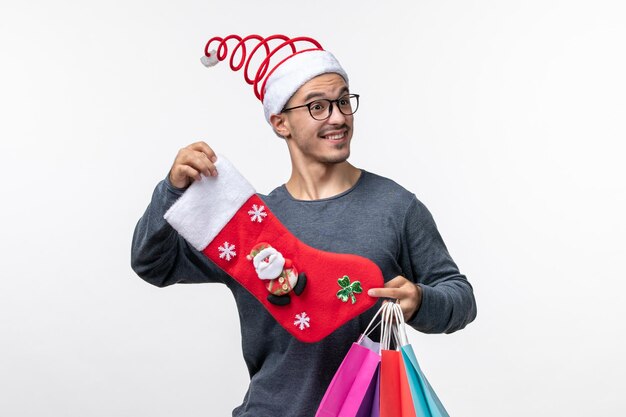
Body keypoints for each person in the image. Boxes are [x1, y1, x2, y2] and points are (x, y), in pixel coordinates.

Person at [131, 34, 476, 417]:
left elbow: (461, 298)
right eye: (318, 107)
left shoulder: (395, 207)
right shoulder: (249, 229)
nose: (339, 117)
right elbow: (153, 264)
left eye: (344, 101)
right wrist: (171, 191)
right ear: (281, 122)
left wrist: (420, 301)